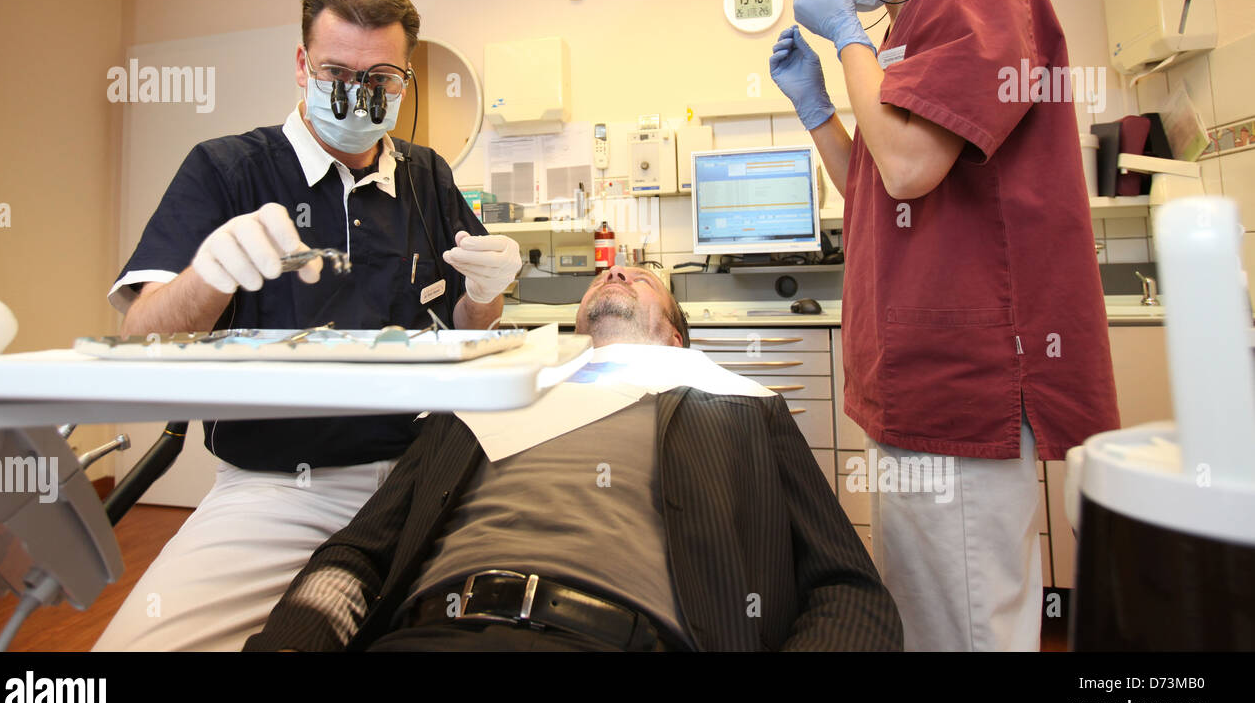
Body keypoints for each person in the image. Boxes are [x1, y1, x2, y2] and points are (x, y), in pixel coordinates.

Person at [752, 0, 1118, 651]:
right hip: (915, 380)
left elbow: (913, 166)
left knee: (964, 625)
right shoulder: (898, 32)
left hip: (968, 380)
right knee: (927, 615)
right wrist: (817, 108)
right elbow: (875, 190)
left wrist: (845, 39)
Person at [94, 0, 523, 651]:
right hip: (278, 492)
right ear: (302, 66)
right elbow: (141, 337)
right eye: (336, 71)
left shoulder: (427, 177)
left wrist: (484, 294)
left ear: (405, 79)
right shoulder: (227, 170)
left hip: (423, 480)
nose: (359, 92)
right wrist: (208, 274)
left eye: (380, 75)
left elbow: (472, 335)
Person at [243, 265, 903, 652]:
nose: (613, 272)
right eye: (603, 276)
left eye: (640, 278)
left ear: (675, 335)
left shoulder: (737, 406)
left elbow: (849, 590)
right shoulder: (487, 396)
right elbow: (361, 552)